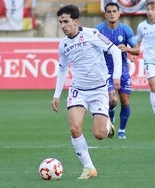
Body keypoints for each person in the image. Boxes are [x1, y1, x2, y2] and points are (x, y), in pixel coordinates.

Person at [51, 4, 122, 179]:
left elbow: (114, 50)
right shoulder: (64, 45)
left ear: (76, 21)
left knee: (99, 135)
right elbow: (62, 69)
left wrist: (117, 76)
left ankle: (106, 125)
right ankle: (89, 168)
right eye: (60, 22)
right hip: (78, 90)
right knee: (75, 128)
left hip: (98, 90)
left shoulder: (92, 35)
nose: (63, 26)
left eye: (66, 21)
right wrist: (56, 94)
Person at [96, 2, 139, 139]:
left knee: (125, 101)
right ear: (105, 14)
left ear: (119, 13)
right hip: (105, 71)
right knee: (112, 100)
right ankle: (111, 110)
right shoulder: (98, 30)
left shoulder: (126, 30)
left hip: (122, 70)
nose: (112, 13)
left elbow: (137, 50)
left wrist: (128, 49)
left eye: (114, 11)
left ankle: (121, 130)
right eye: (109, 11)